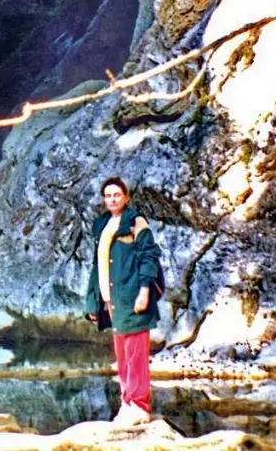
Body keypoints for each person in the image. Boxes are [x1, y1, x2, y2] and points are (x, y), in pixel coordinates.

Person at [85, 176, 162, 427]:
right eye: (108, 195)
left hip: (133, 294)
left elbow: (149, 256)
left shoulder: (136, 222)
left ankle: (140, 406)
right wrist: (94, 303)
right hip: (113, 299)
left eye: (117, 194)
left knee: (136, 354)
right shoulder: (102, 224)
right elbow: (97, 266)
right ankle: (127, 403)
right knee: (122, 354)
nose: (112, 199)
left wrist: (144, 291)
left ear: (126, 197)